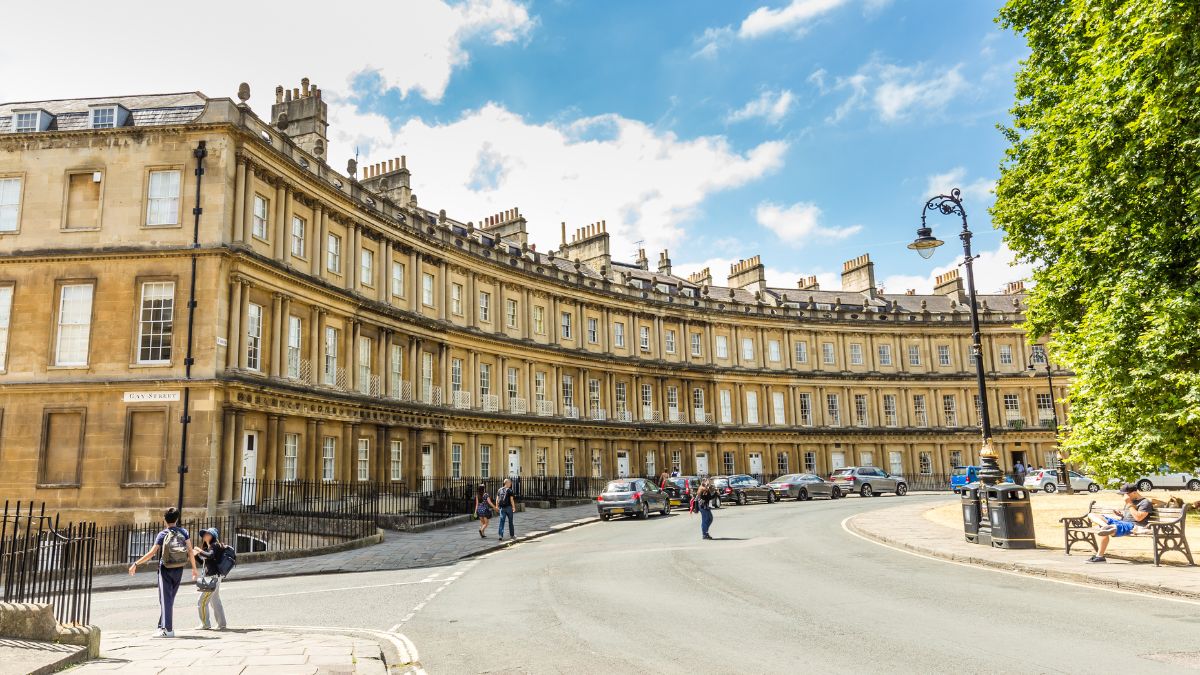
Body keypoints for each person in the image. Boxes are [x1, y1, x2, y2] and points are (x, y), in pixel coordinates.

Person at [128, 507, 198, 637]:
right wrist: (194, 569)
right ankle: (161, 626)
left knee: (165, 599)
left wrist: (136, 563)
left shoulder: (163, 534)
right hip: (179, 568)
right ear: (177, 519)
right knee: (168, 599)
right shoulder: (184, 532)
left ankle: (168, 630)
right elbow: (190, 550)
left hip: (165, 569)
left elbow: (152, 553)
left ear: (165, 520)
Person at [1085, 483, 1155, 563]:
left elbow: (1138, 518)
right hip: (1122, 523)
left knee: (1109, 528)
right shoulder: (1130, 501)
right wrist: (1121, 515)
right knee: (1091, 514)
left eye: (1125, 494)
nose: (1123, 497)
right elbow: (1128, 516)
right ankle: (1106, 527)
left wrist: (1129, 503)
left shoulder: (1145, 502)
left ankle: (1100, 556)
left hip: (1133, 526)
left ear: (1134, 492)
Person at [193, 528, 229, 631]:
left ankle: (205, 624)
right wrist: (196, 555)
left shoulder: (214, 545)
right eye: (204, 534)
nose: (205, 536)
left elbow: (211, 555)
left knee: (202, 601)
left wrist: (199, 551)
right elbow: (203, 563)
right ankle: (222, 624)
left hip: (212, 577)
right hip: (212, 576)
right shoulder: (209, 547)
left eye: (207, 534)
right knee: (215, 601)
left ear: (213, 536)